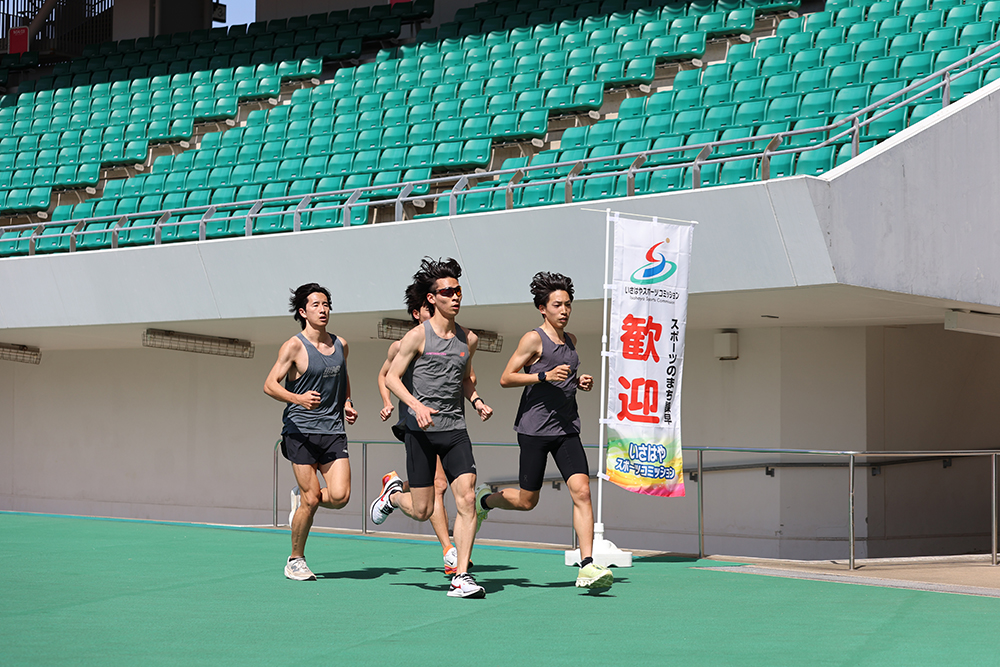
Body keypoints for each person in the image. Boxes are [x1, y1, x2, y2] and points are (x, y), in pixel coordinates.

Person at [475, 272, 613, 589]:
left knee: (582, 492)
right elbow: (506, 377)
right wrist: (543, 376)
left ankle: (587, 566)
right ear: (543, 308)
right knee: (527, 501)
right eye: (557, 305)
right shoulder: (533, 339)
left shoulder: (572, 341)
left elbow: (564, 377)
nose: (564, 310)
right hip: (534, 430)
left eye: (567, 304)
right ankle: (485, 500)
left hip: (566, 428)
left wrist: (580, 381)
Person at [370, 257, 493, 598]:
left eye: (458, 291)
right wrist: (415, 405)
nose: (455, 297)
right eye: (447, 292)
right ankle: (394, 495)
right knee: (423, 509)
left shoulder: (469, 340)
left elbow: (465, 380)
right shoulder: (415, 337)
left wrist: (477, 400)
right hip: (420, 432)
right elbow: (392, 377)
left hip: (455, 429)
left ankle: (462, 576)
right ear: (431, 298)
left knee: (466, 498)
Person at [264, 283, 357, 581]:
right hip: (300, 431)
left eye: (327, 304)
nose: (323, 309)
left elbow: (343, 377)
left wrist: (347, 403)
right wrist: (298, 399)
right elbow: (270, 384)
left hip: (332, 430)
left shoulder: (341, 344)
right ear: (303, 312)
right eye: (316, 304)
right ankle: (295, 560)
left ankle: (303, 500)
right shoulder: (294, 346)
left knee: (340, 496)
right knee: (312, 500)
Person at [376, 283, 458, 574]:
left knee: (437, 487)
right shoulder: (403, 344)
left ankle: (395, 490)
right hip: (415, 424)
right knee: (439, 485)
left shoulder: (450, 341)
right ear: (417, 312)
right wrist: (387, 402)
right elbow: (385, 376)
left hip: (444, 424)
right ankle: (449, 551)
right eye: (428, 308)